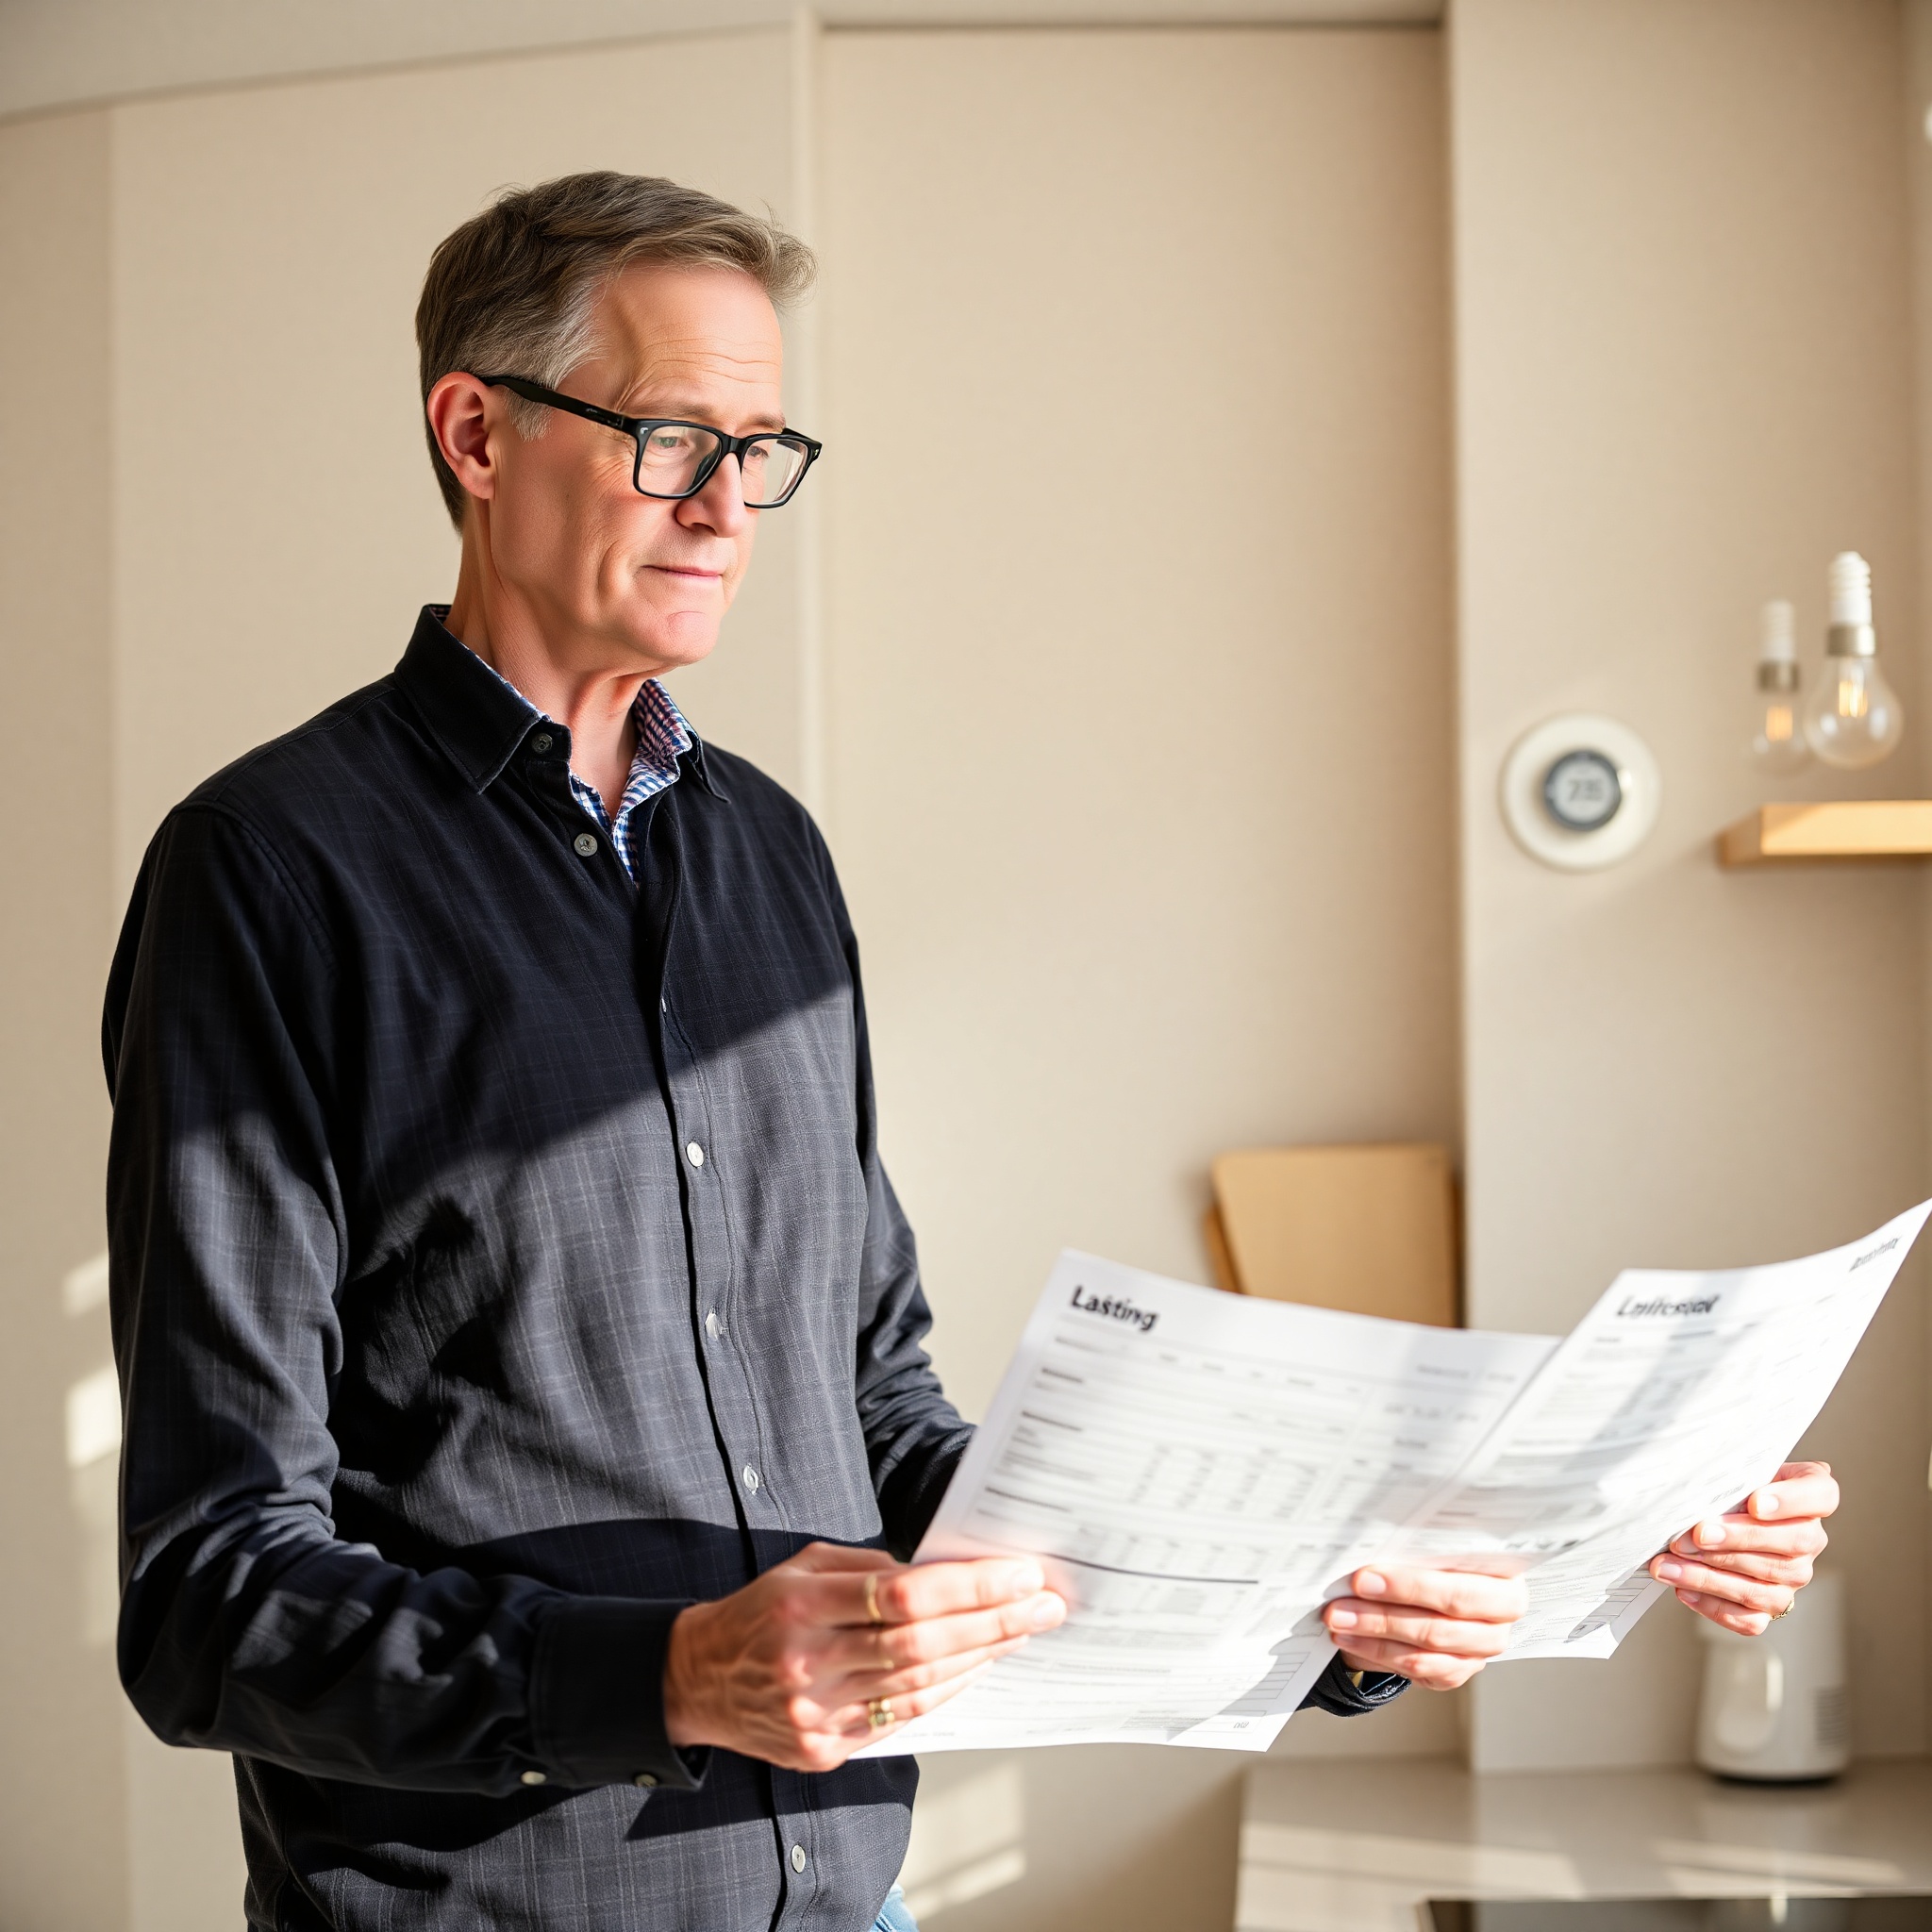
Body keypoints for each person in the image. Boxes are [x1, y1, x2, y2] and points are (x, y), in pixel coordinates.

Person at [101, 172, 1840, 1932]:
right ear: (475, 434)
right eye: (666, 436)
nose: (724, 506)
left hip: (852, 1897)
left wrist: (1348, 1595)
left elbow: (879, 1429)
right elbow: (206, 1595)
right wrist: (675, 1676)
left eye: (760, 446)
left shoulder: (769, 858)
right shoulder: (268, 873)